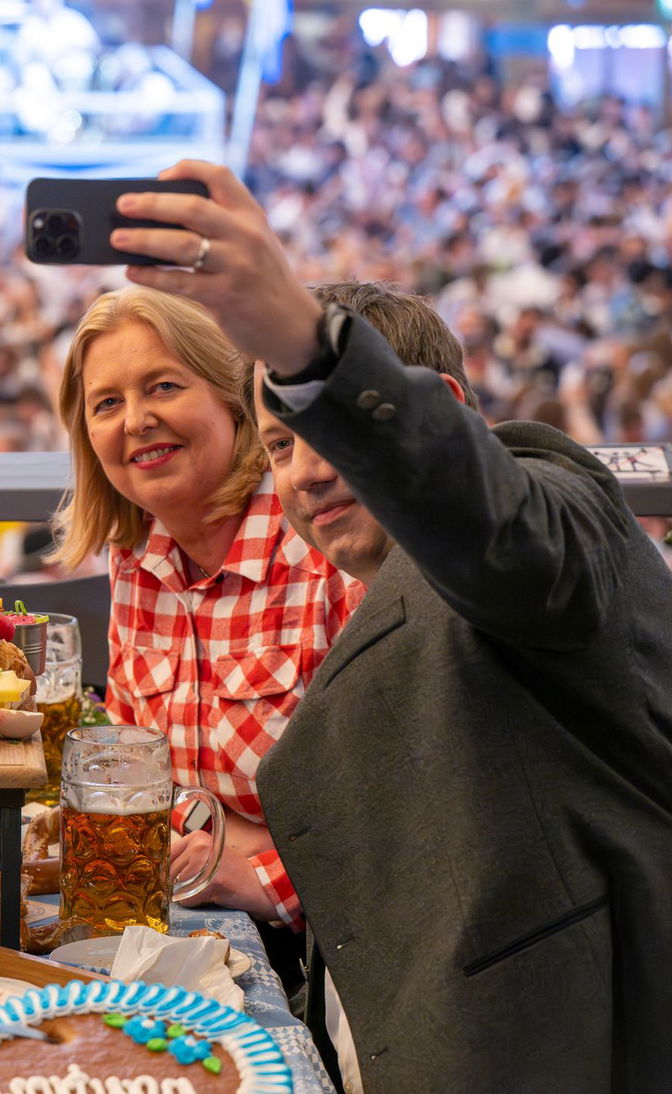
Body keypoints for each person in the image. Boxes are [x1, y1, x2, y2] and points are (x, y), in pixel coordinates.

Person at [113, 160, 672, 1090]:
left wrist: (301, 343)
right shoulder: (373, 595)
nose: (306, 475)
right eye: (283, 447)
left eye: (335, 433)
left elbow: (485, 521)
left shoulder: (548, 521)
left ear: (440, 417)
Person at [47, 284, 357, 968]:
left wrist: (269, 871)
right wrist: (225, 836)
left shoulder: (325, 540)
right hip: (210, 925)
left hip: (342, 949)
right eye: (107, 403)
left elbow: (400, 811)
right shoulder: (137, 555)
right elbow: (137, 774)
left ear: (232, 398)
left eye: (162, 385)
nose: (135, 420)